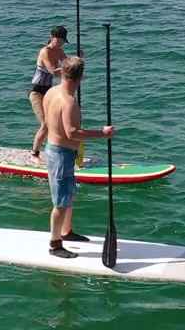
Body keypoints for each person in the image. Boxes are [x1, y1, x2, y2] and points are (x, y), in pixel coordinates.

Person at [41, 57, 114, 258]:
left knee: (69, 195)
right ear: (80, 78)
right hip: (60, 155)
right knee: (61, 202)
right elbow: (72, 132)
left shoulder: (51, 92)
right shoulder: (69, 101)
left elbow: (48, 122)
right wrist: (102, 133)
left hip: (55, 150)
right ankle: (55, 244)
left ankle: (66, 232)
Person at [28, 25, 69, 160]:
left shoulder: (60, 51)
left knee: (56, 122)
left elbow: (67, 62)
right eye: (59, 41)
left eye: (63, 42)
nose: (61, 44)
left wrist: (77, 59)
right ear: (52, 38)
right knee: (45, 124)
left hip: (48, 91)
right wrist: (70, 68)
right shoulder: (45, 52)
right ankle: (34, 153)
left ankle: (56, 150)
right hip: (36, 91)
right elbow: (52, 71)